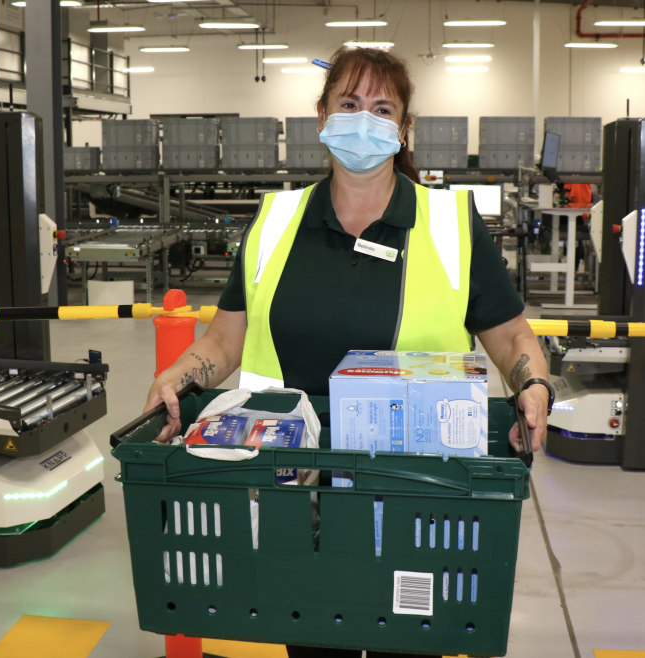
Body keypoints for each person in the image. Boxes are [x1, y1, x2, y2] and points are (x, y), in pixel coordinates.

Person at [145, 46, 552, 658]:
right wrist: (180, 373)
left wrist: (533, 385)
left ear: (404, 127)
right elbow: (224, 341)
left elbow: (513, 338)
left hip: (414, 493)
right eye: (350, 103)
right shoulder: (277, 221)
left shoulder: (449, 223)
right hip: (294, 492)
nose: (365, 119)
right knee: (313, 641)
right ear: (322, 117)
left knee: (408, 639)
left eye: (382, 107)